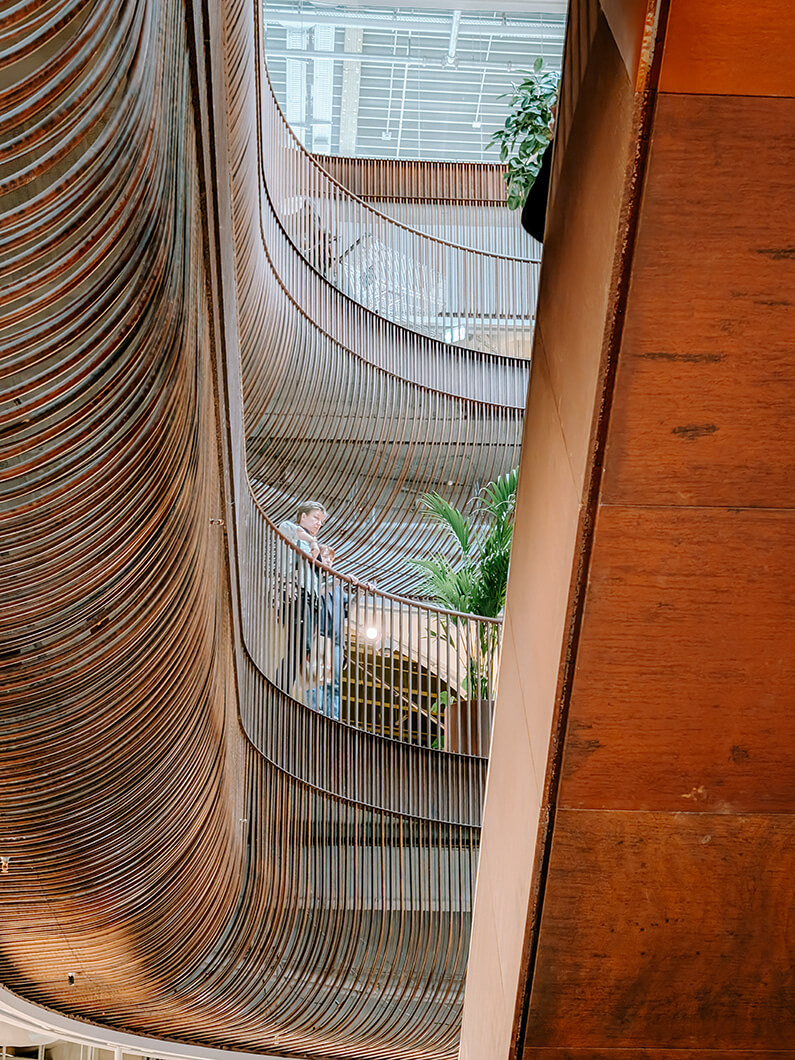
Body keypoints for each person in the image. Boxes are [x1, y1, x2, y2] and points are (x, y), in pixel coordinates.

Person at [277, 502, 327, 696]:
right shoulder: (289, 528)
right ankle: (282, 688)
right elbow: (289, 529)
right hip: (297, 593)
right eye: (316, 518)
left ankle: (284, 688)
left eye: (321, 522)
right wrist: (314, 543)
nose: (318, 524)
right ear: (303, 516)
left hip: (311, 597)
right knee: (299, 644)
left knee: (303, 647)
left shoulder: (311, 546)